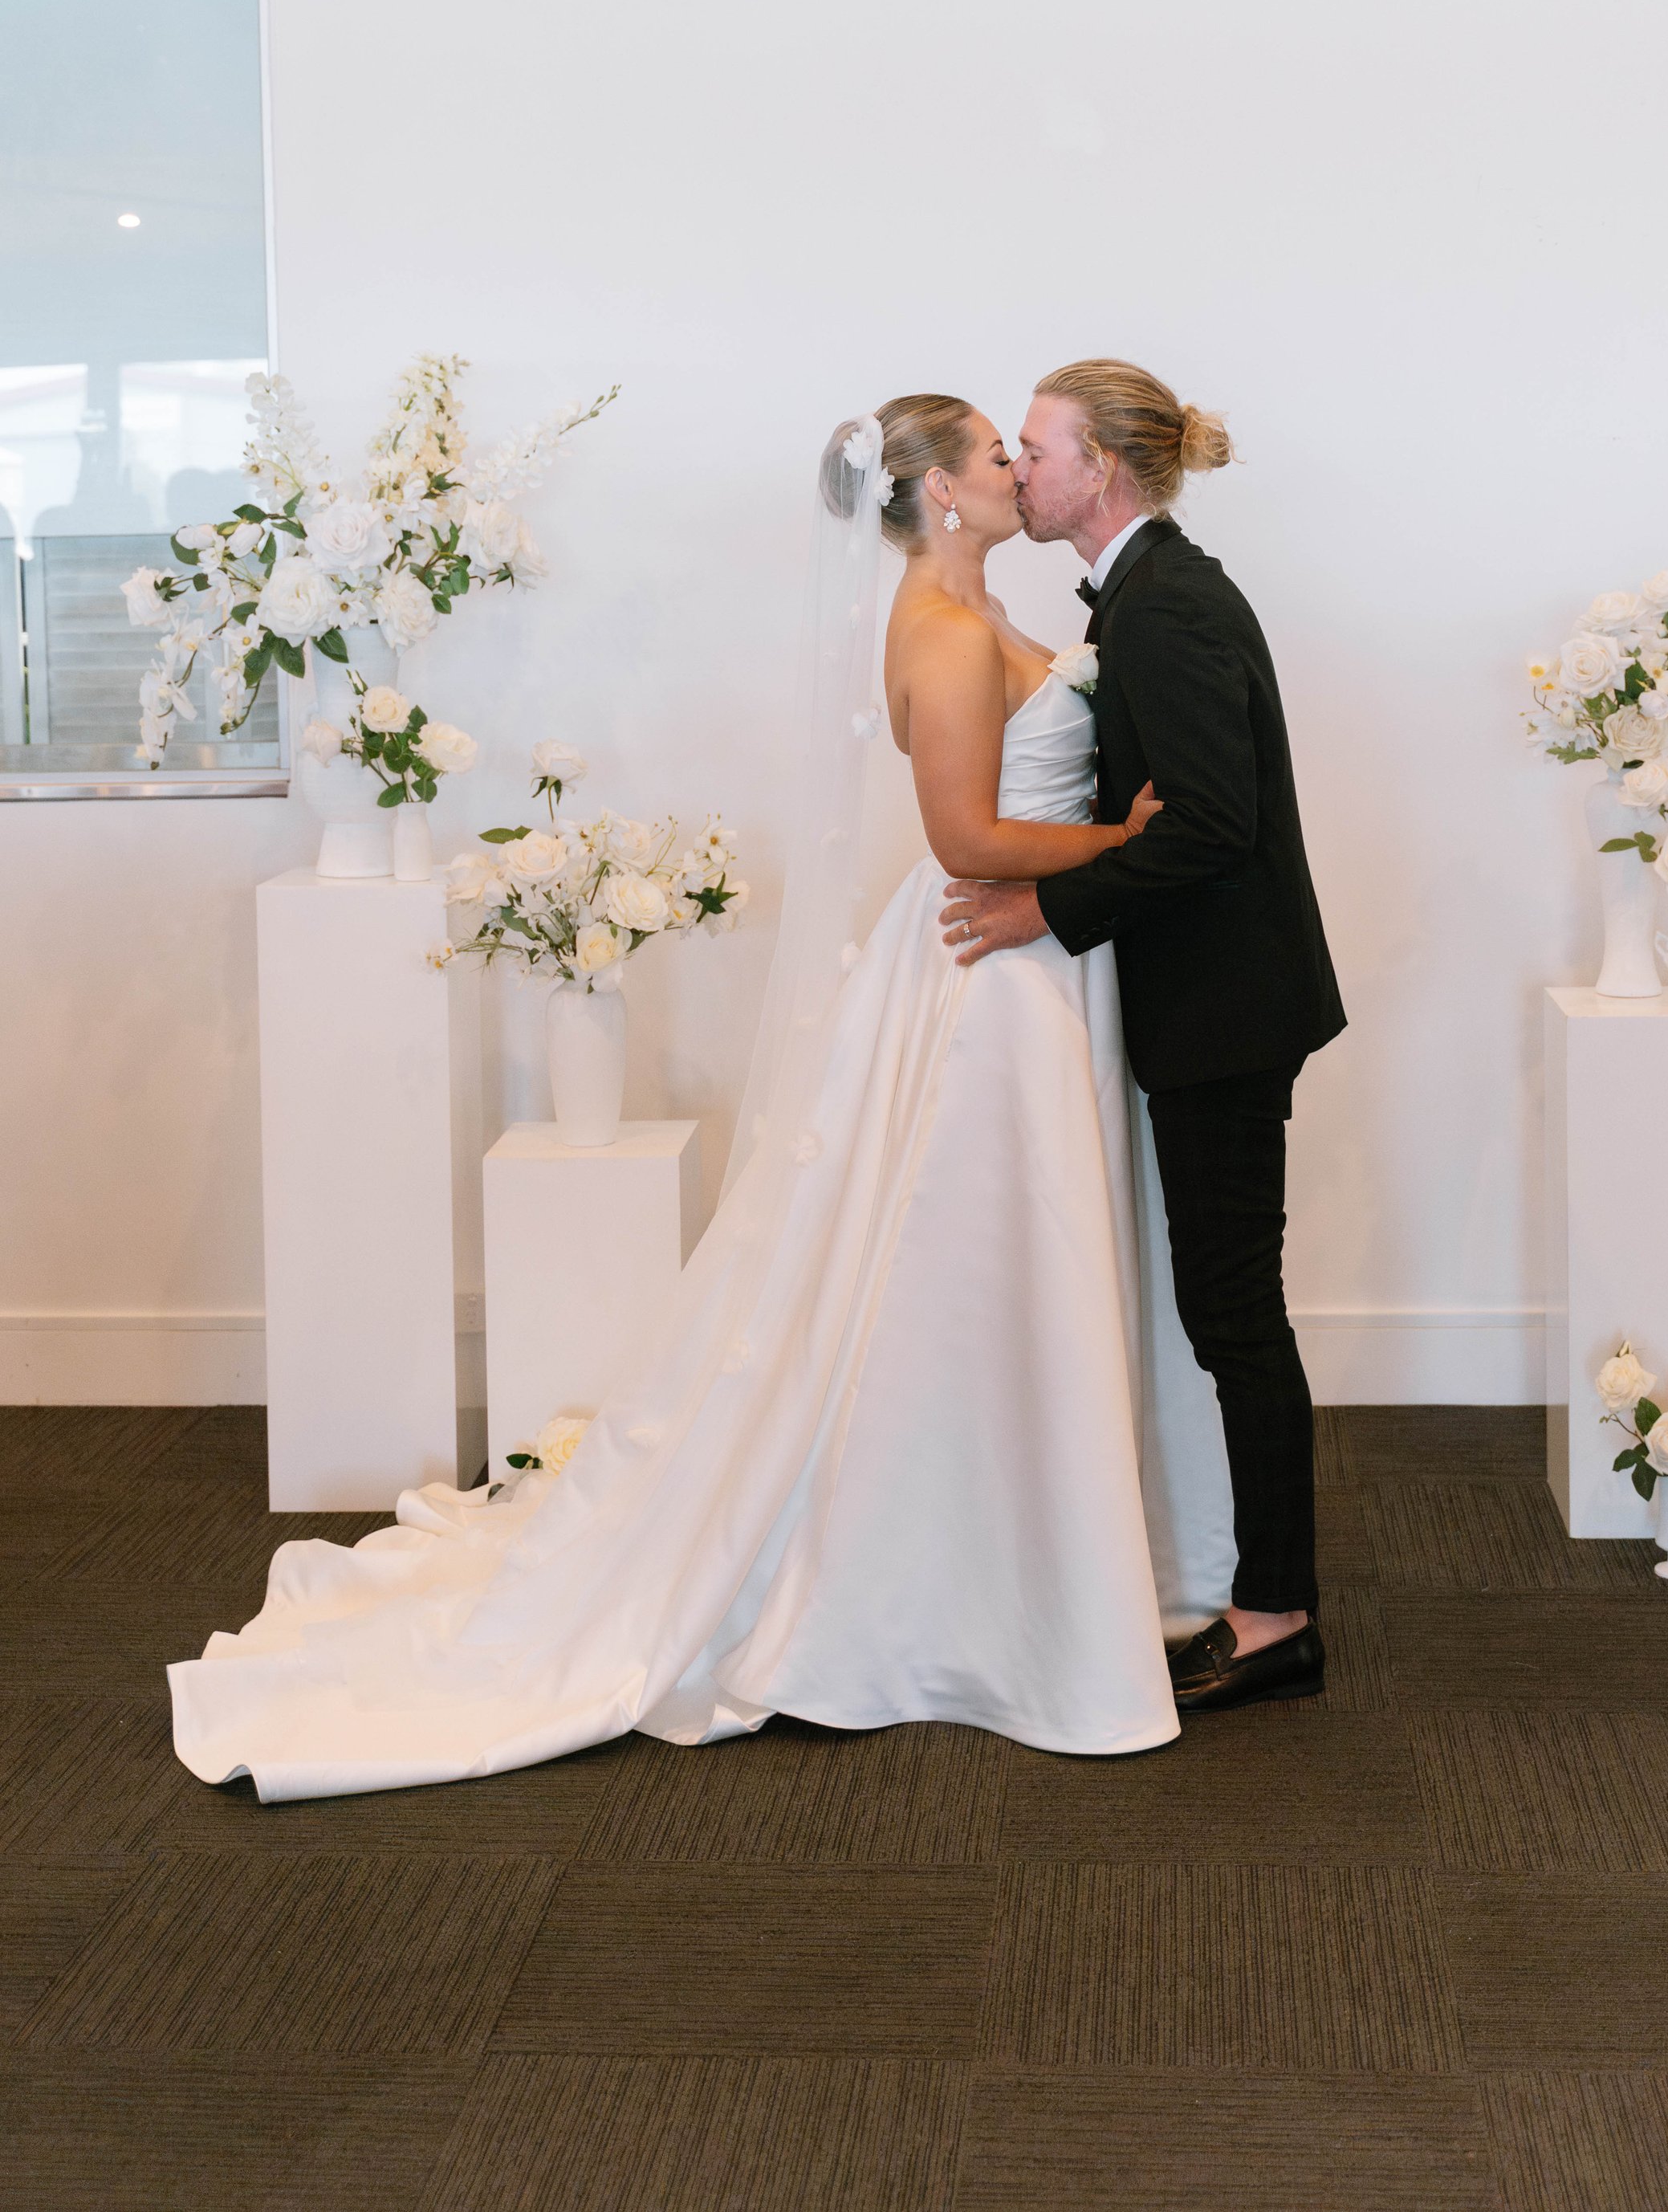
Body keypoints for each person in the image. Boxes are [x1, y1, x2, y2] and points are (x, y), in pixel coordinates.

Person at [168, 399, 1235, 1799]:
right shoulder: (943, 627)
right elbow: (966, 835)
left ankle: (1037, 1548)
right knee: (967, 1255)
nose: (1012, 465)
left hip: (1035, 955)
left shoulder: (974, 604)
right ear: (941, 495)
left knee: (982, 1267)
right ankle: (966, 1582)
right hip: (992, 964)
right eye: (990, 451)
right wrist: (1128, 838)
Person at [942, 361, 1344, 1716]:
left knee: (1234, 1312)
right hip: (1218, 998)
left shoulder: (1167, 606)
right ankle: (1264, 1593)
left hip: (1225, 1011)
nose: (1023, 470)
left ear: (1100, 470)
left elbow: (1213, 828)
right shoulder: (1156, 590)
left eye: (1039, 448)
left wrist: (1043, 905)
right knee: (1226, 1307)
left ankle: (1277, 1615)